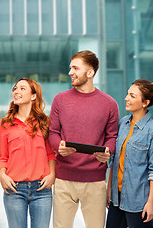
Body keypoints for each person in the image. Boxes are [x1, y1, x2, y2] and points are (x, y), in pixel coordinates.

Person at [49, 50, 119, 228]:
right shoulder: (60, 99)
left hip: (95, 181)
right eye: (70, 67)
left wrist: (107, 151)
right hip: (64, 179)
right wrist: (59, 146)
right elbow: (53, 132)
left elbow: (112, 136)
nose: (70, 72)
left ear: (90, 73)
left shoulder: (110, 104)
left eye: (75, 68)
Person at [106, 79, 153, 228]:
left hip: (139, 201)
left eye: (132, 96)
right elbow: (115, 160)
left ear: (145, 103)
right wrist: (109, 190)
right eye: (128, 94)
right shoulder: (123, 123)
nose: (126, 98)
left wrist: (151, 202)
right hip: (116, 198)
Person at [0, 78, 56, 228]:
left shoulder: (45, 122)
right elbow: (3, 156)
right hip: (14, 189)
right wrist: (2, 174)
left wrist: (52, 175)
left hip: (42, 189)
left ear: (33, 96)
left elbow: (51, 154)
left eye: (22, 89)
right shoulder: (4, 124)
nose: (17, 91)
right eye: (15, 88)